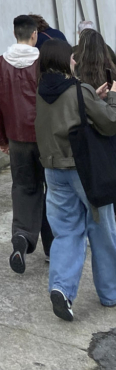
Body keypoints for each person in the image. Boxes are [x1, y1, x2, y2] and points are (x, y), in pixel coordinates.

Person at [36, 36, 116, 321]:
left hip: (53, 171)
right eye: (70, 57)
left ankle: (61, 288)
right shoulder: (78, 90)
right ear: (61, 60)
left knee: (67, 232)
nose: (75, 60)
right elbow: (110, 122)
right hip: (83, 169)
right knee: (102, 230)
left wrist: (95, 97)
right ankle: (110, 293)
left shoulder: (42, 92)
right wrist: (112, 97)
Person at [0, 14, 52, 273]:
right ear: (34, 34)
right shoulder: (45, 63)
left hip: (17, 138)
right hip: (47, 138)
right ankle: (52, 247)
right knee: (54, 192)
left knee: (24, 188)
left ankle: (22, 238)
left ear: (15, 34)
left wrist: (2, 139)